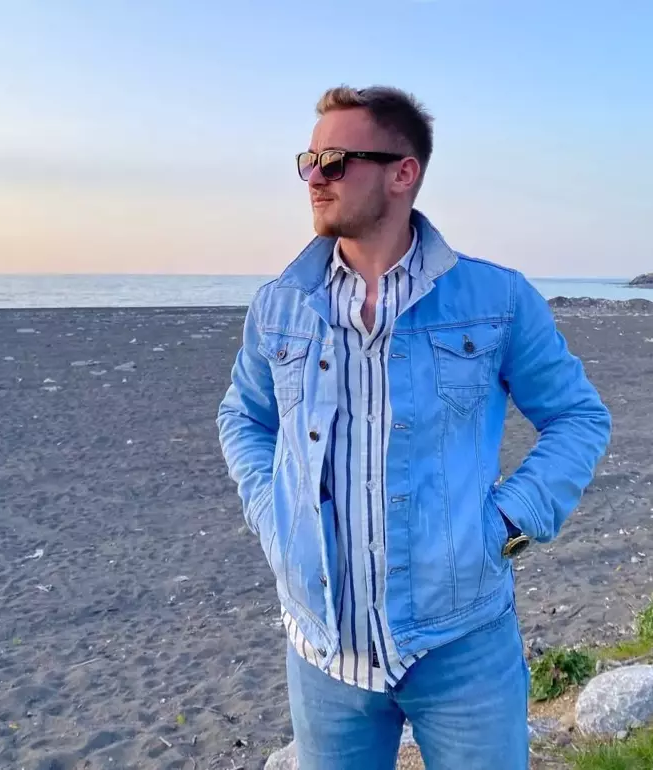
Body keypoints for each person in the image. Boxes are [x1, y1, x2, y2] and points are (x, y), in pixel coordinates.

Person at [216, 85, 612, 770]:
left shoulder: (496, 300)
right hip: (324, 655)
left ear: (403, 172)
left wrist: (509, 522)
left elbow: (578, 417)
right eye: (308, 161)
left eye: (335, 161)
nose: (314, 178)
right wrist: (269, 509)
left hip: (462, 645)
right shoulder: (280, 305)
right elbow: (244, 417)